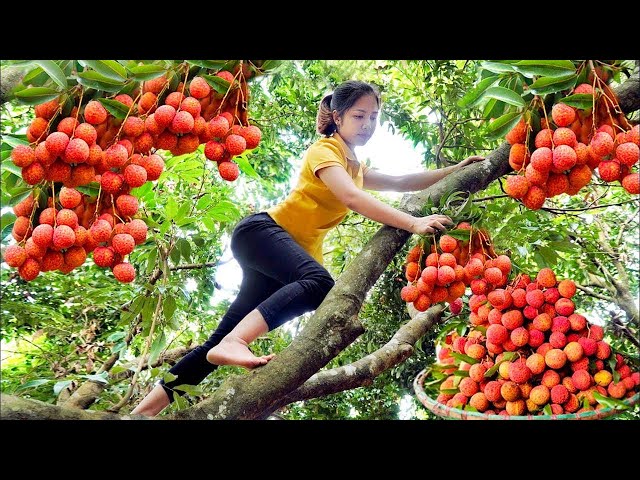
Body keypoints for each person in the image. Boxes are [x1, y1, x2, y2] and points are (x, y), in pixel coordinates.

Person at [131, 80, 484, 416]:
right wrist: (414, 223)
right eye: (359, 116)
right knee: (319, 285)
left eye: (373, 117)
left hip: (276, 260)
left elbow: (400, 181)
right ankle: (235, 342)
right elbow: (350, 196)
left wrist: (456, 169)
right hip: (262, 233)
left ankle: (143, 411)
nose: (367, 125)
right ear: (338, 117)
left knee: (216, 346)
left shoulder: (355, 166)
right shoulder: (325, 151)